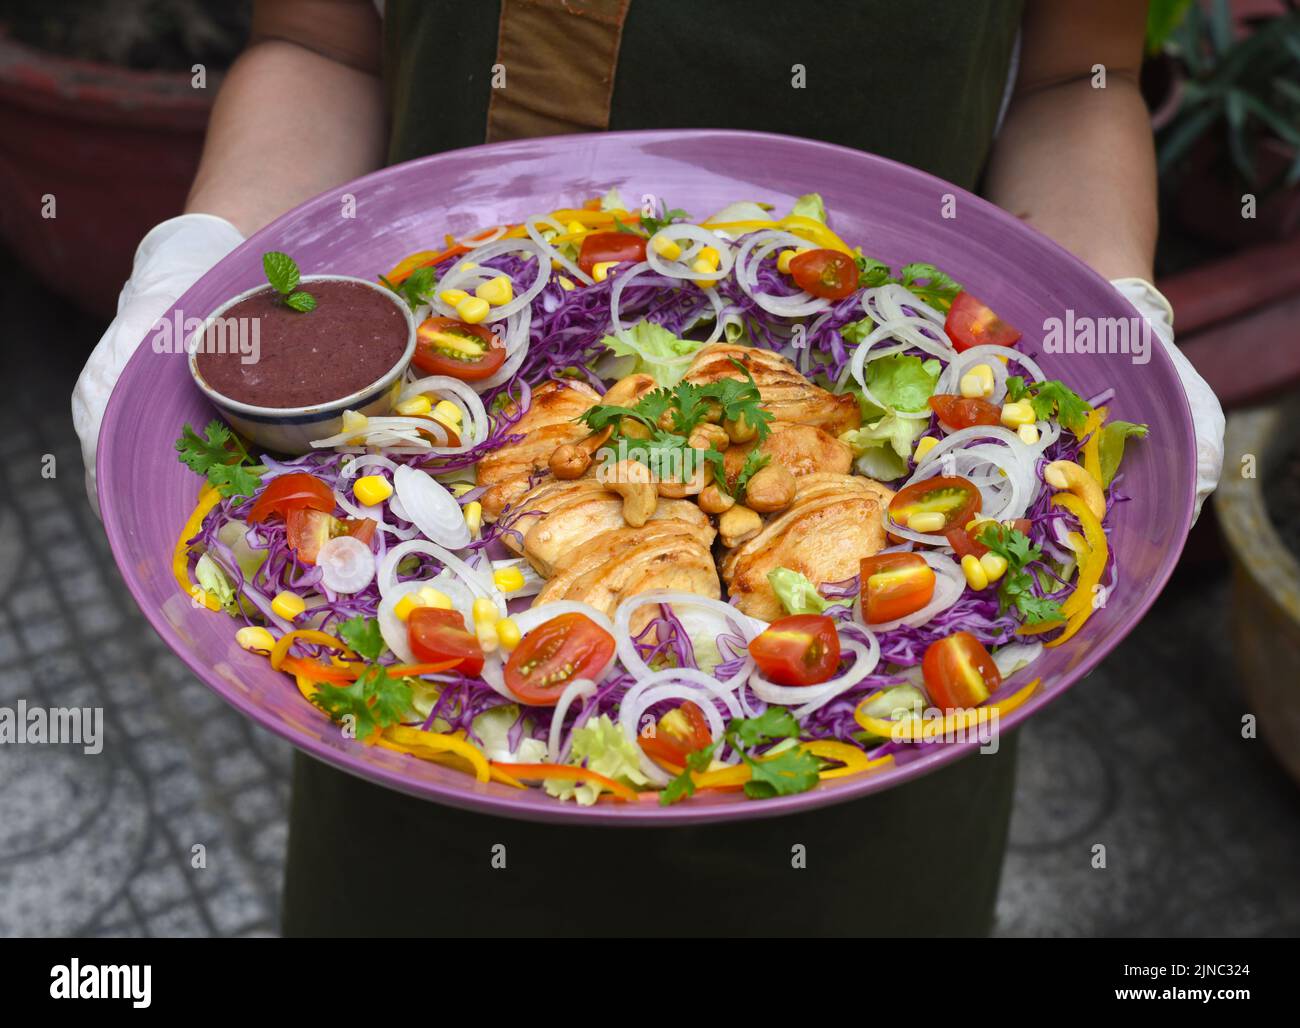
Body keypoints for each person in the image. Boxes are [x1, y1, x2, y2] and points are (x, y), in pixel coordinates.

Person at [72, 0, 1225, 936]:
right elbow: (316, 42)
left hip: (878, 746)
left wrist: (1107, 319)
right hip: (437, 732)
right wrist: (207, 271)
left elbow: (1081, 82)